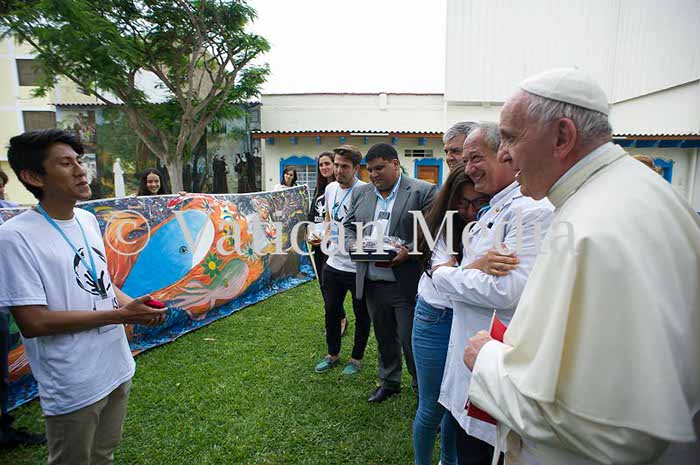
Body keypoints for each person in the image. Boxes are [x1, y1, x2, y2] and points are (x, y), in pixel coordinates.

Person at [464, 68, 700, 465]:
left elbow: (614, 433)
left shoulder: (597, 226)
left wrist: (487, 361)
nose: (503, 154)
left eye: (511, 137)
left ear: (562, 137)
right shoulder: (638, 191)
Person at [0, 129, 168, 465]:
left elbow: (102, 282)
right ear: (33, 177)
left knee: (103, 455)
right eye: (66, 163)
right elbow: (34, 322)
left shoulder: (88, 220)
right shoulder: (14, 237)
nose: (81, 170)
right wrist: (121, 316)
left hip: (116, 365)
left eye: (79, 160)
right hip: (73, 380)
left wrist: (133, 306)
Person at [430, 122, 554, 465]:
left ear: (505, 155)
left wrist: (444, 276)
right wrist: (472, 268)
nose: (468, 168)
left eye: (475, 157)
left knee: (486, 454)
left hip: (496, 363)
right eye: (465, 159)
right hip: (473, 361)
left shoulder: (531, 211)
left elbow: (506, 290)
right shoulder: (497, 206)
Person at [412, 161, 493, 465]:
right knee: (432, 405)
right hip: (435, 318)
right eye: (463, 203)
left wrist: (462, 270)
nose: (470, 211)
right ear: (450, 199)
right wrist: (479, 266)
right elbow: (441, 277)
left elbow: (456, 275)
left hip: (469, 320)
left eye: (478, 202)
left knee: (456, 403)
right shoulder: (438, 226)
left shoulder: (492, 224)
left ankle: (448, 461)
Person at [344, 143, 438, 403]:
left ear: (395, 164)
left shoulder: (422, 191)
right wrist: (352, 244)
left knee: (410, 339)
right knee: (384, 335)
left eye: (379, 168)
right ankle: (389, 382)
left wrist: (409, 250)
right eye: (370, 170)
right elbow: (349, 226)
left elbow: (433, 232)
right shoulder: (361, 193)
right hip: (372, 281)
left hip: (405, 282)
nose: (374, 175)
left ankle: (422, 389)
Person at [313, 145, 371, 375]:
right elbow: (330, 218)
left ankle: (356, 358)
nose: (338, 170)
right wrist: (323, 236)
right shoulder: (330, 189)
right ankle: (333, 354)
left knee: (361, 313)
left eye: (344, 166)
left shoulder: (366, 191)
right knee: (331, 310)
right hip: (333, 263)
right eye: (336, 165)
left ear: (356, 168)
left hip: (357, 266)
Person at [307, 151, 348, 337]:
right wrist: (311, 235)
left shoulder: (340, 190)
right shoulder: (319, 190)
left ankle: (339, 319)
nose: (324, 167)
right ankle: (336, 317)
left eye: (327, 164)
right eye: (321, 164)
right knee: (323, 285)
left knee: (332, 286)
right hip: (318, 245)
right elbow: (312, 218)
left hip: (335, 246)